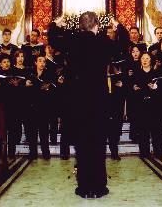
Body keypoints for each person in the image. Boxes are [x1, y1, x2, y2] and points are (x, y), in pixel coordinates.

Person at [48, 11, 114, 198]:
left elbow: (53, 39)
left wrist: (56, 24)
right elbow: (122, 45)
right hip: (99, 101)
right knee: (98, 144)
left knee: (83, 146)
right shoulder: (103, 41)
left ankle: (84, 187)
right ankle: (99, 187)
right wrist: (119, 27)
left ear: (80, 26)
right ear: (96, 26)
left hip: (78, 102)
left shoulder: (72, 40)